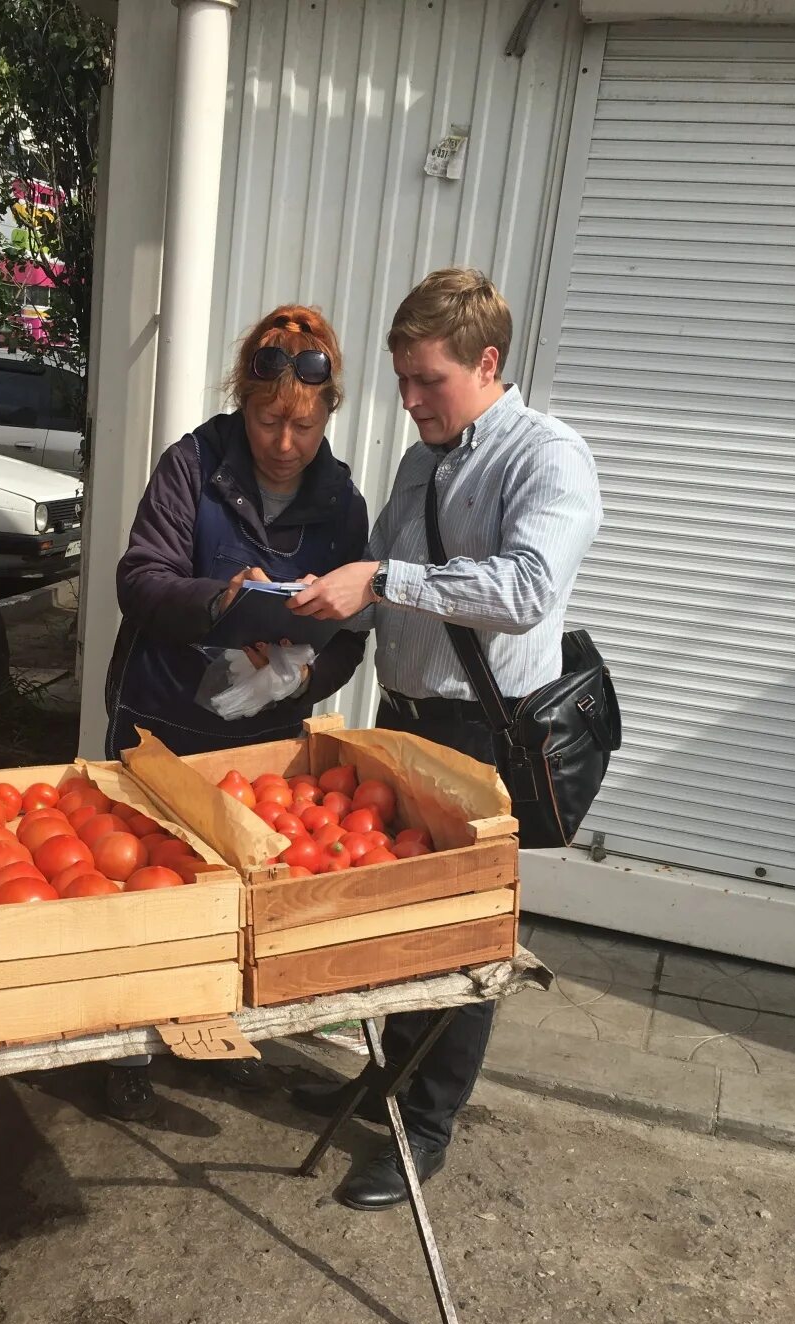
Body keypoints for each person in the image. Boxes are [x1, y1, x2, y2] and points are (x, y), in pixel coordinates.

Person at [286, 267, 602, 1208]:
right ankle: (378, 1079)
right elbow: (377, 585)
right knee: (390, 919)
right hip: (405, 722)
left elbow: (523, 590)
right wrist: (306, 655)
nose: (411, 400)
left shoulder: (548, 457)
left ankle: (425, 1127)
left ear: (487, 361)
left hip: (484, 730)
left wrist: (382, 578)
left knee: (463, 937)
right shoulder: (424, 457)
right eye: (403, 381)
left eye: (429, 380)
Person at [101, 303, 370, 1120]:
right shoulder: (195, 463)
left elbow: (353, 635)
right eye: (265, 420)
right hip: (160, 721)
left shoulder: (342, 504)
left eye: (302, 426)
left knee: (229, 900)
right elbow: (139, 578)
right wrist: (223, 602)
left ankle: (210, 1038)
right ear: (241, 402)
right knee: (137, 884)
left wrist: (301, 674)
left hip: (259, 746)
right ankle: (117, 1054)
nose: (283, 444)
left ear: (329, 411)